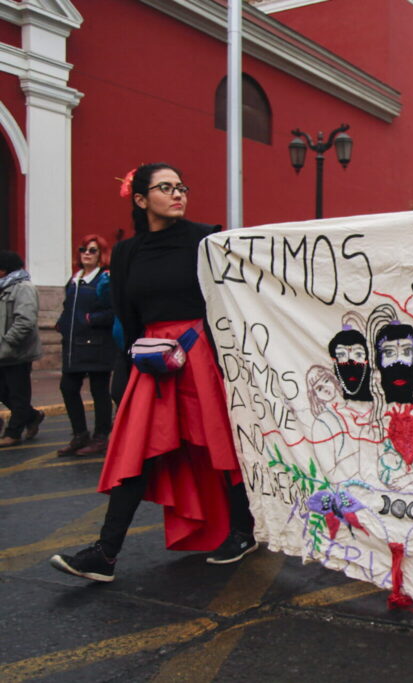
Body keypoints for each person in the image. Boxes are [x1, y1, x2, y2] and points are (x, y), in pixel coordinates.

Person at [50, 163, 255, 583]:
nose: (178, 194)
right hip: (152, 359)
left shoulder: (206, 238)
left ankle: (243, 531)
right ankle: (105, 554)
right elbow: (127, 314)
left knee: (217, 444)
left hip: (201, 355)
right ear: (141, 199)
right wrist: (125, 367)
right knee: (137, 449)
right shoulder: (126, 253)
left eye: (181, 186)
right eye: (166, 188)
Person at [55, 234, 117, 456]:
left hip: (96, 343)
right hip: (73, 344)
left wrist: (91, 320)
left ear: (101, 255)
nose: (86, 254)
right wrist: (61, 323)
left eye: (92, 250)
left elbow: (113, 311)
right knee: (68, 387)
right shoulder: (74, 279)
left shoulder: (105, 280)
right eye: (83, 250)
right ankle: (79, 434)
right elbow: (67, 307)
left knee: (99, 390)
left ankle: (101, 436)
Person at [0, 251, 45, 447]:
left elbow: (25, 321)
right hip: (3, 352)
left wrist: (7, 343)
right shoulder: (3, 287)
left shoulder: (23, 288)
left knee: (18, 394)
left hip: (17, 352)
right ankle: (33, 416)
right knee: (3, 392)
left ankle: (14, 432)